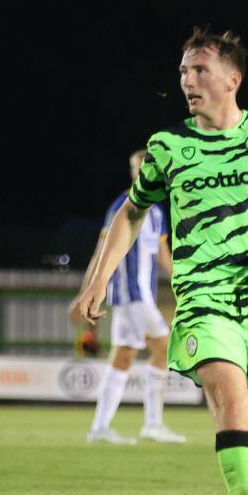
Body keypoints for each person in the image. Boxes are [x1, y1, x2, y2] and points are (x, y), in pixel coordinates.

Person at [69, 28, 248, 495]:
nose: (188, 80)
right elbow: (131, 213)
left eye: (200, 70)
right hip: (207, 300)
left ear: (233, 79)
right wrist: (95, 281)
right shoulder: (168, 147)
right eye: (184, 71)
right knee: (231, 407)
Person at [77, 149, 185, 445]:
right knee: (160, 346)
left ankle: (106, 426)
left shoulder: (159, 212)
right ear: (133, 172)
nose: (143, 172)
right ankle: (145, 424)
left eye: (148, 167)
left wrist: (185, 284)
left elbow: (163, 256)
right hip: (129, 295)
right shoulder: (122, 206)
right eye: (138, 168)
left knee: (130, 354)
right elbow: (102, 251)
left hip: (142, 297)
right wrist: (88, 290)